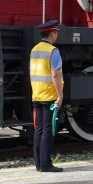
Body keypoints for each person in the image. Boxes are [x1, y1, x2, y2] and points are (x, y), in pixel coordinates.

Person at [29, 19, 64, 172]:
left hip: (37, 95)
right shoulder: (53, 51)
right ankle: (45, 165)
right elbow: (55, 75)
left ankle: (39, 164)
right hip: (49, 96)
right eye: (56, 32)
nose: (56, 35)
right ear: (52, 34)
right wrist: (60, 96)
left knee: (39, 130)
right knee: (48, 130)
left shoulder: (34, 49)